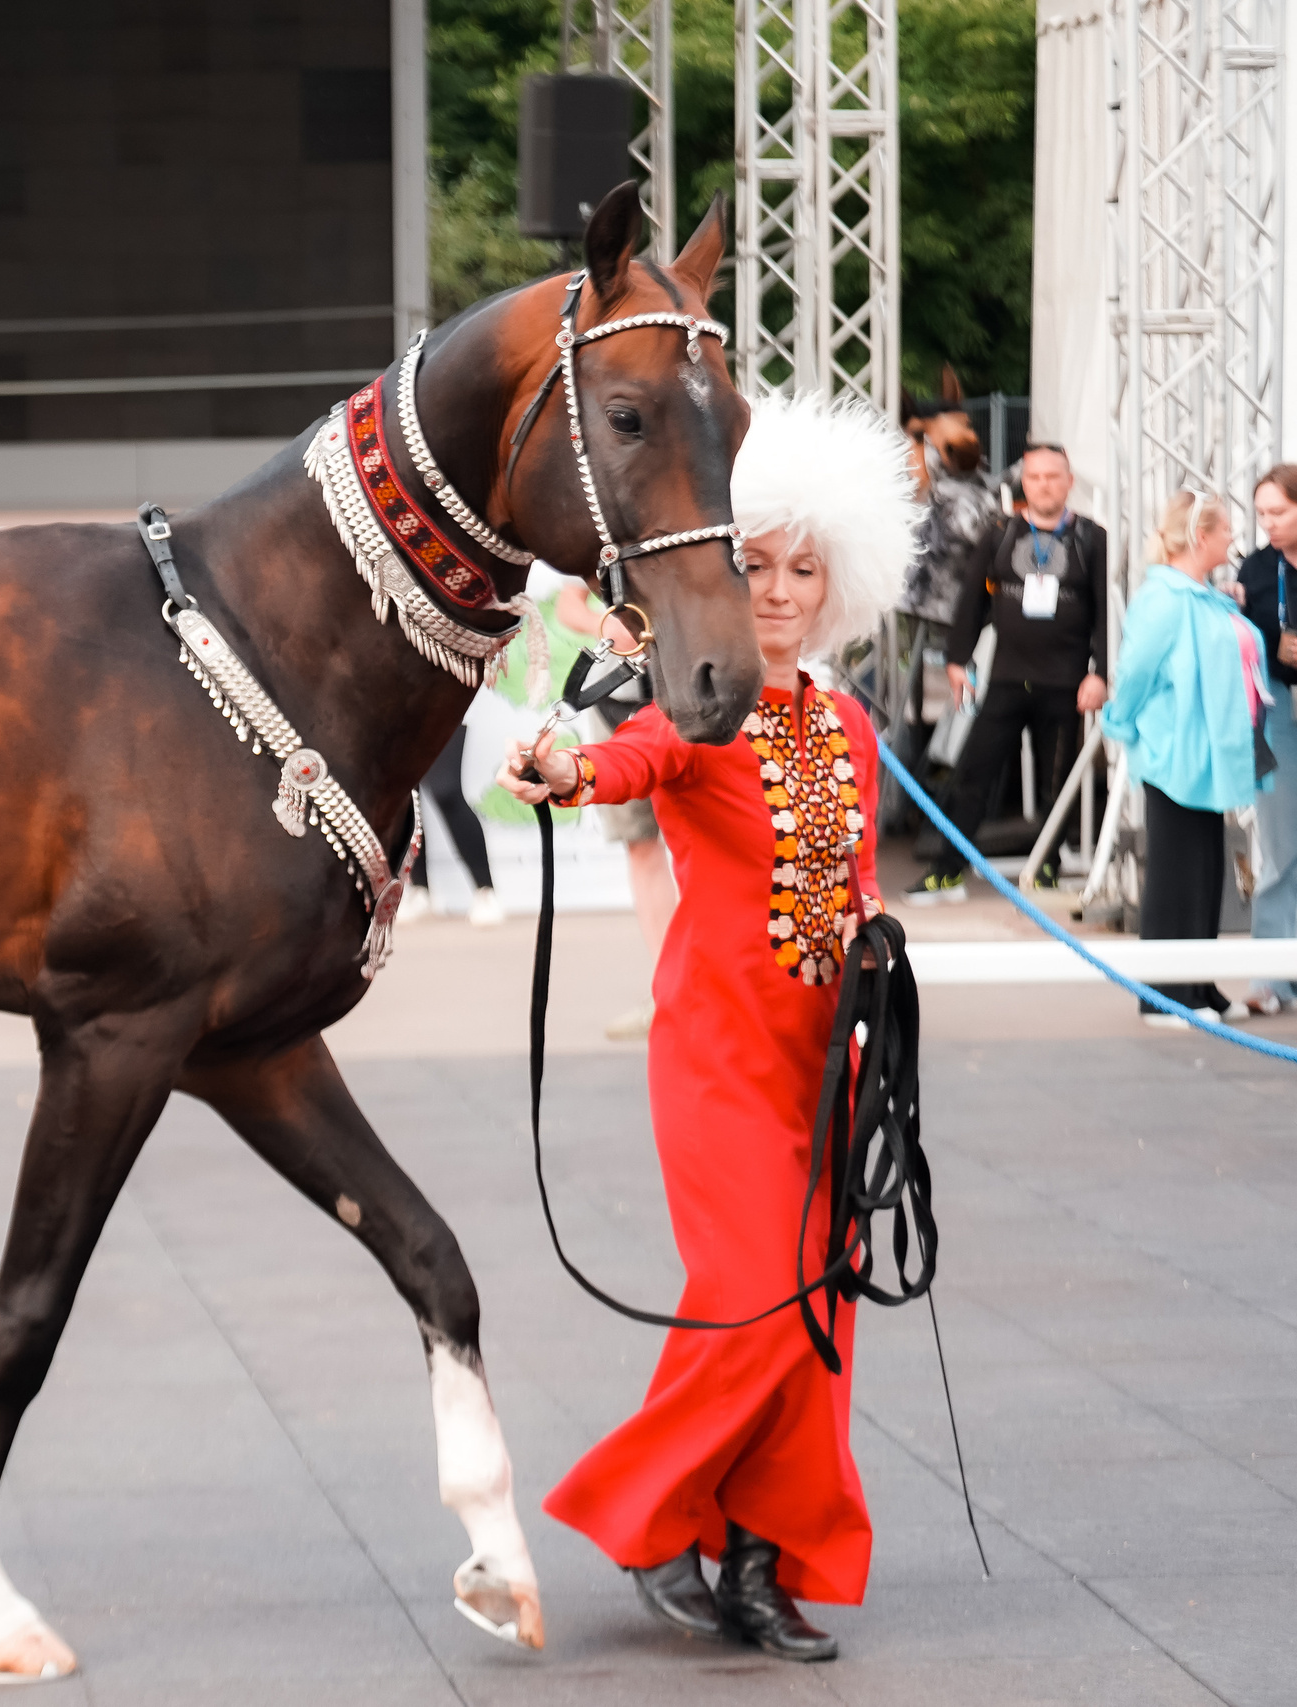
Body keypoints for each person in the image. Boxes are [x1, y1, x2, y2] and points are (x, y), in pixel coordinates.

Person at [496, 393, 917, 1663]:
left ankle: (754, 1560)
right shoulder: (698, 709)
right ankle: (642, 1513)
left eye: (802, 569)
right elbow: (622, 762)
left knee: (817, 1323)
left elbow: (852, 882)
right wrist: (565, 769)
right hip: (719, 1059)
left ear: (836, 587)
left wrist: (873, 941)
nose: (778, 591)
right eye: (755, 564)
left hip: (827, 1063)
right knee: (751, 1296)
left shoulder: (847, 725)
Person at [1103, 490, 1274, 1027]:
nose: (1232, 539)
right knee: (1176, 875)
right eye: (1225, 530)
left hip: (1209, 757)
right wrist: (1120, 723)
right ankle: (1163, 994)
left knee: (1204, 871)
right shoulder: (1164, 600)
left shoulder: (1204, 596)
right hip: (1176, 755)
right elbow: (1134, 674)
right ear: (1202, 536)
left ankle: (1198, 983)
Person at [910, 442, 1109, 902]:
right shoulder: (999, 533)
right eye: (1035, 476)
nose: (1043, 485)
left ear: (1069, 482)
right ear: (1024, 482)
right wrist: (958, 661)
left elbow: (1103, 612)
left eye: (1052, 476)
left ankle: (1046, 868)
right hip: (1005, 679)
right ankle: (947, 871)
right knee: (972, 774)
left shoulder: (1092, 538)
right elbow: (971, 603)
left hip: (1065, 682)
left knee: (1055, 781)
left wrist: (1100, 672)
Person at [556, 580, 678, 1038]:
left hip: (685, 697)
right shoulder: (600, 535)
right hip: (614, 704)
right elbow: (570, 603)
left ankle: (711, 984)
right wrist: (606, 625)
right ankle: (668, 990)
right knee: (641, 847)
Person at [1235, 467, 1297, 1015]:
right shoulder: (1255, 569)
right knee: (1280, 849)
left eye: (1279, 512)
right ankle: (1271, 979)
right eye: (1262, 514)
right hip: (1279, 710)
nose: (1269, 524)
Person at [400, 726, 504, 926]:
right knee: (405, 794)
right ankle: (420, 888)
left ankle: (485, 890)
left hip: (440, 700)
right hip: (393, 706)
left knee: (446, 790)